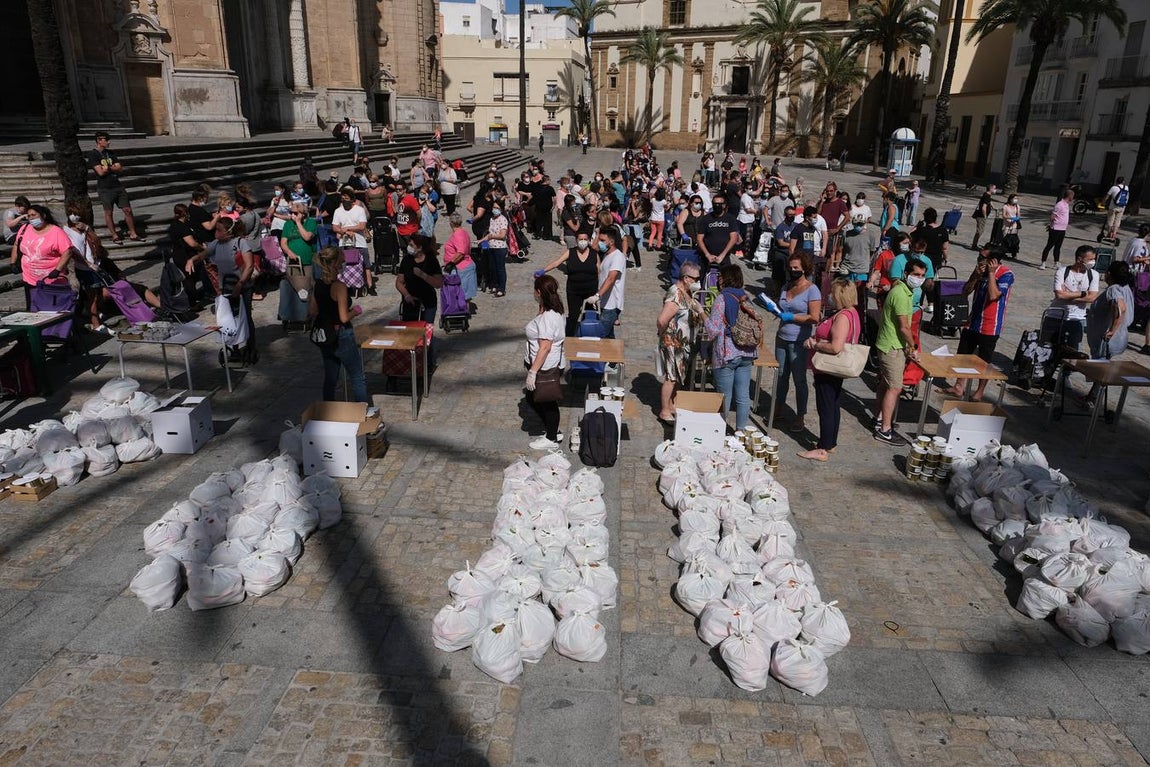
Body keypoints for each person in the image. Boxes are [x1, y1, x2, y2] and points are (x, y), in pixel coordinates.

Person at [798, 277, 861, 461]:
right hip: (835, 368)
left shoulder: (842, 317)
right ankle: (830, 442)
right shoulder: (851, 313)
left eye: (832, 293)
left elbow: (835, 347)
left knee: (825, 406)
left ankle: (822, 448)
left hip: (828, 367)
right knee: (832, 404)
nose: (828, 296)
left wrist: (815, 344)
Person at [945, 248, 1014, 401]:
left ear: (993, 261)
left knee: (984, 361)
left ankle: (980, 391)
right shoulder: (979, 271)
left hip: (990, 324)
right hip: (972, 322)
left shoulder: (1006, 275)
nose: (979, 259)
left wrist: (990, 274)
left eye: (983, 257)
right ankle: (959, 386)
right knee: (963, 355)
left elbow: (994, 295)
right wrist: (975, 276)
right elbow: (965, 291)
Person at [873, 257, 927, 445]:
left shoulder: (904, 291)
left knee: (884, 384)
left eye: (922, 275)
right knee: (895, 387)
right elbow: (904, 327)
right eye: (915, 274)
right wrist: (912, 346)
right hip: (893, 347)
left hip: (888, 344)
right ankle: (885, 430)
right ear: (906, 274)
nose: (918, 278)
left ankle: (879, 418)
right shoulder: (902, 295)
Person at [310, 246, 368, 403]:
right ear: (335, 263)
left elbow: (313, 310)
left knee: (330, 377)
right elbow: (343, 317)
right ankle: (364, 413)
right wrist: (355, 311)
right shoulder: (340, 287)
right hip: (342, 334)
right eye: (342, 262)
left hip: (326, 335)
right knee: (357, 376)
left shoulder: (318, 284)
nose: (343, 265)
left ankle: (328, 411)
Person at [705, 264, 760, 431]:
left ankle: (718, 431)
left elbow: (713, 330)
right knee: (743, 396)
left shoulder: (721, 299)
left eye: (719, 277)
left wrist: (701, 313)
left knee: (724, 396)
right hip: (747, 352)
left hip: (727, 354)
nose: (718, 280)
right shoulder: (746, 297)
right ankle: (741, 431)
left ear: (725, 278)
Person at [773, 252, 822, 432]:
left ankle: (800, 415)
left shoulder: (812, 290)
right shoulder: (786, 287)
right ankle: (778, 407)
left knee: (799, 379)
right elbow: (782, 306)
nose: (793, 271)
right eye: (791, 268)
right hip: (782, 337)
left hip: (799, 341)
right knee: (780, 376)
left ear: (804, 269)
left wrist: (792, 316)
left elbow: (814, 317)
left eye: (796, 268)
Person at [1080, 260, 1135, 406]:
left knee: (1100, 368)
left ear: (1109, 274)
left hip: (1107, 338)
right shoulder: (1125, 288)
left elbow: (1120, 308)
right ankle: (1093, 395)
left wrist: (1112, 330)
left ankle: (1093, 399)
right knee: (1102, 367)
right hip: (1117, 336)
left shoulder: (1114, 289)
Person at [656, 261, 705, 422]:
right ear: (685, 278)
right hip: (673, 342)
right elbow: (662, 320)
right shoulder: (676, 294)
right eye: (695, 278)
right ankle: (664, 410)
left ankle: (671, 405)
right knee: (671, 377)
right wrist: (665, 336)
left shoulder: (687, 293)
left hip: (682, 343)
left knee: (678, 376)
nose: (698, 282)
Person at [523, 274, 567, 450]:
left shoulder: (549, 317)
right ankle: (552, 430)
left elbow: (545, 347)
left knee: (546, 400)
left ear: (539, 292)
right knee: (535, 397)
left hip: (545, 366)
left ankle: (551, 437)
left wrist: (533, 372)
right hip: (544, 364)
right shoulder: (551, 310)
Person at [208, 217, 258, 363]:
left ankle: (250, 345)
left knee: (245, 316)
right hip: (226, 286)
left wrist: (240, 284)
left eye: (219, 230)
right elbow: (204, 254)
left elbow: (249, 266)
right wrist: (193, 260)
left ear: (228, 231)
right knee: (229, 319)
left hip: (242, 286)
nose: (216, 232)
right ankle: (234, 348)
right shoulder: (217, 244)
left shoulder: (241, 243)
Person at [10, 204, 75, 310]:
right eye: (29, 216)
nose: (31, 218)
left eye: (34, 215)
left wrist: (57, 270)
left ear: (43, 215)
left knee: (50, 309)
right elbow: (17, 244)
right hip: (29, 279)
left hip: (51, 280)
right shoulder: (24, 228)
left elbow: (67, 251)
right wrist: (13, 262)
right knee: (33, 308)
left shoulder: (56, 232)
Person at [395, 234, 444, 366]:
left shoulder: (431, 260)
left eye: (412, 245)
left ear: (420, 247)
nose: (409, 248)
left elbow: (438, 283)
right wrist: (406, 295)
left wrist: (423, 275)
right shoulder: (406, 260)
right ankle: (409, 361)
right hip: (410, 302)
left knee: (426, 333)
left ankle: (428, 362)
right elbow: (399, 282)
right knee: (408, 332)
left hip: (428, 302)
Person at [87, 132, 142, 244]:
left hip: (117, 185)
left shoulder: (110, 153)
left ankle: (133, 233)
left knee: (127, 209)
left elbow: (119, 167)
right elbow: (100, 172)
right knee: (109, 212)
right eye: (106, 140)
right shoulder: (93, 155)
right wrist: (111, 168)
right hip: (105, 188)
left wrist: (108, 168)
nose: (108, 142)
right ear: (99, 140)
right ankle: (114, 235)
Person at [1050, 245, 1101, 351]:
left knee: (1073, 351)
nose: (1093, 262)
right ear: (1079, 259)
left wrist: (1068, 295)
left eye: (1094, 259)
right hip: (1056, 316)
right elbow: (1059, 295)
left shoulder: (1094, 275)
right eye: (1090, 259)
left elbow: (1092, 298)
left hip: (1078, 318)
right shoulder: (1062, 272)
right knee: (1050, 348)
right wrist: (1083, 294)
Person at [585, 227, 626, 337]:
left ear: (611, 242)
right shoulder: (607, 255)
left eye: (603, 240)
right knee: (609, 337)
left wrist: (597, 296)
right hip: (605, 303)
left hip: (611, 305)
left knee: (600, 335)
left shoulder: (617, 257)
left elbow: (611, 278)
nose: (600, 243)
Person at [696, 193, 739, 277]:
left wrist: (722, 255)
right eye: (715, 204)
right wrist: (707, 254)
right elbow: (699, 238)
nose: (717, 206)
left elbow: (733, 238)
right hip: (708, 258)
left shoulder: (730, 218)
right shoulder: (706, 219)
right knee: (710, 283)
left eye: (720, 204)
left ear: (724, 205)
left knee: (725, 281)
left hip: (724, 258)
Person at [443, 212, 477, 301]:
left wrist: (450, 263)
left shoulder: (458, 235)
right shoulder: (463, 232)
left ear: (451, 223)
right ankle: (464, 312)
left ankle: (464, 313)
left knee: (463, 295)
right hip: (464, 266)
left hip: (462, 268)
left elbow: (461, 252)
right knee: (463, 295)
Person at [479, 202, 509, 297]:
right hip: (491, 247)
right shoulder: (492, 219)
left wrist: (492, 236)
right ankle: (494, 285)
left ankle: (501, 288)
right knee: (492, 268)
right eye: (493, 207)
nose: (494, 209)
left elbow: (503, 235)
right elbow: (489, 234)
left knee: (500, 269)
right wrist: (481, 240)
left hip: (500, 248)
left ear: (501, 209)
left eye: (497, 207)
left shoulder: (503, 220)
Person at [1040, 188, 1072, 268]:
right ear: (1069, 196)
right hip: (1056, 229)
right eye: (1073, 196)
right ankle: (1043, 262)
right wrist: (1051, 225)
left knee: (1058, 246)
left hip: (1062, 229)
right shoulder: (1059, 204)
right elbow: (1052, 216)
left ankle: (1056, 262)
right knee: (1049, 245)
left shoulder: (1067, 204)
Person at [1101, 176, 1130, 241]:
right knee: (1117, 221)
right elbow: (1127, 197)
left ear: (1116, 181)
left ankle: (1109, 234)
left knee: (1110, 221)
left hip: (1113, 207)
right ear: (1123, 182)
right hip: (1122, 207)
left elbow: (1107, 196)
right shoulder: (1126, 188)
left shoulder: (1113, 188)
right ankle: (1114, 234)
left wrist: (1103, 202)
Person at [970, 184, 995, 250]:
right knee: (980, 231)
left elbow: (990, 202)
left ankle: (974, 244)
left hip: (981, 215)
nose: (995, 190)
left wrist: (994, 208)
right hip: (981, 216)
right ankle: (974, 245)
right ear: (990, 189)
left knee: (981, 230)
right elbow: (984, 207)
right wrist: (985, 216)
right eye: (994, 188)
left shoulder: (987, 195)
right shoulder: (987, 196)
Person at [1000, 194, 1021, 259]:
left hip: (1014, 225)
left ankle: (1014, 253)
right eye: (1014, 198)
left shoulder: (1017, 206)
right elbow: (1003, 216)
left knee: (1015, 240)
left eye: (1016, 198)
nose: (1016, 200)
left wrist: (1017, 218)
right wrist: (1010, 217)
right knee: (1005, 239)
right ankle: (1003, 252)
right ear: (1010, 199)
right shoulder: (1005, 206)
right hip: (1006, 225)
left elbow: (1018, 215)